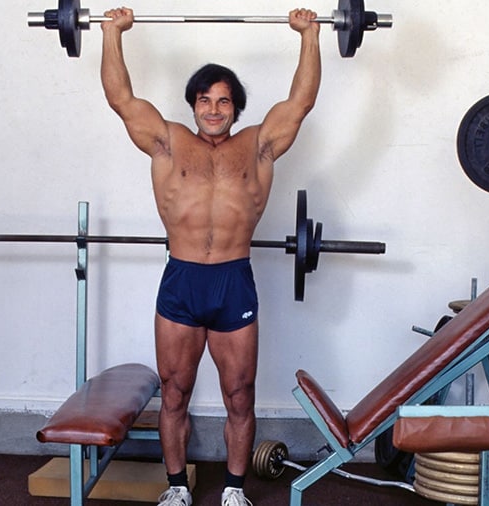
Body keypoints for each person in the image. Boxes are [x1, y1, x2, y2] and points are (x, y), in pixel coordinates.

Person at [100, 7, 321, 506]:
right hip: (181, 280)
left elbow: (301, 101)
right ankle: (176, 489)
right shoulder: (168, 143)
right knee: (174, 391)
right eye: (205, 100)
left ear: (236, 108)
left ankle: (235, 490)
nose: (214, 110)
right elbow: (121, 98)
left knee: (239, 394)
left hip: (233, 281)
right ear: (193, 104)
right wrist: (111, 33)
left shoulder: (259, 146)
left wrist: (310, 34)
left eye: (223, 101)